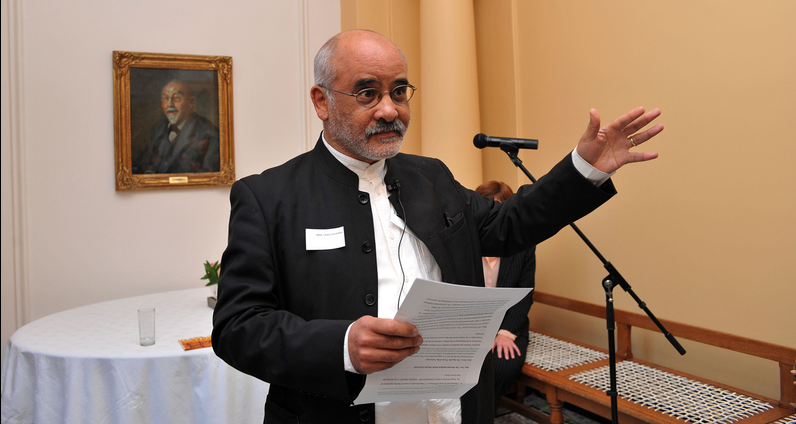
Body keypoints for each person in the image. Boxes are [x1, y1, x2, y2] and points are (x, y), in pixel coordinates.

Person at [212, 29, 663, 424]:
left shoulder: (433, 178)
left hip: (451, 409)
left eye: (400, 91)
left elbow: (509, 225)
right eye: (367, 93)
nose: (390, 110)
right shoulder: (269, 197)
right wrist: (341, 345)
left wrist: (583, 169)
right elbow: (238, 326)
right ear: (321, 101)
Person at [475, 180, 536, 409]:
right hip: (471, 325)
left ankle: (482, 414)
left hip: (509, 325)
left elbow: (524, 292)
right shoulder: (465, 244)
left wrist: (505, 333)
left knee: (502, 365)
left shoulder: (524, 245)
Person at [132, 80, 220, 174]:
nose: (170, 104)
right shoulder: (158, 127)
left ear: (191, 102)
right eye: (166, 98)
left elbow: (210, 176)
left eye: (177, 98)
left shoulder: (208, 133)